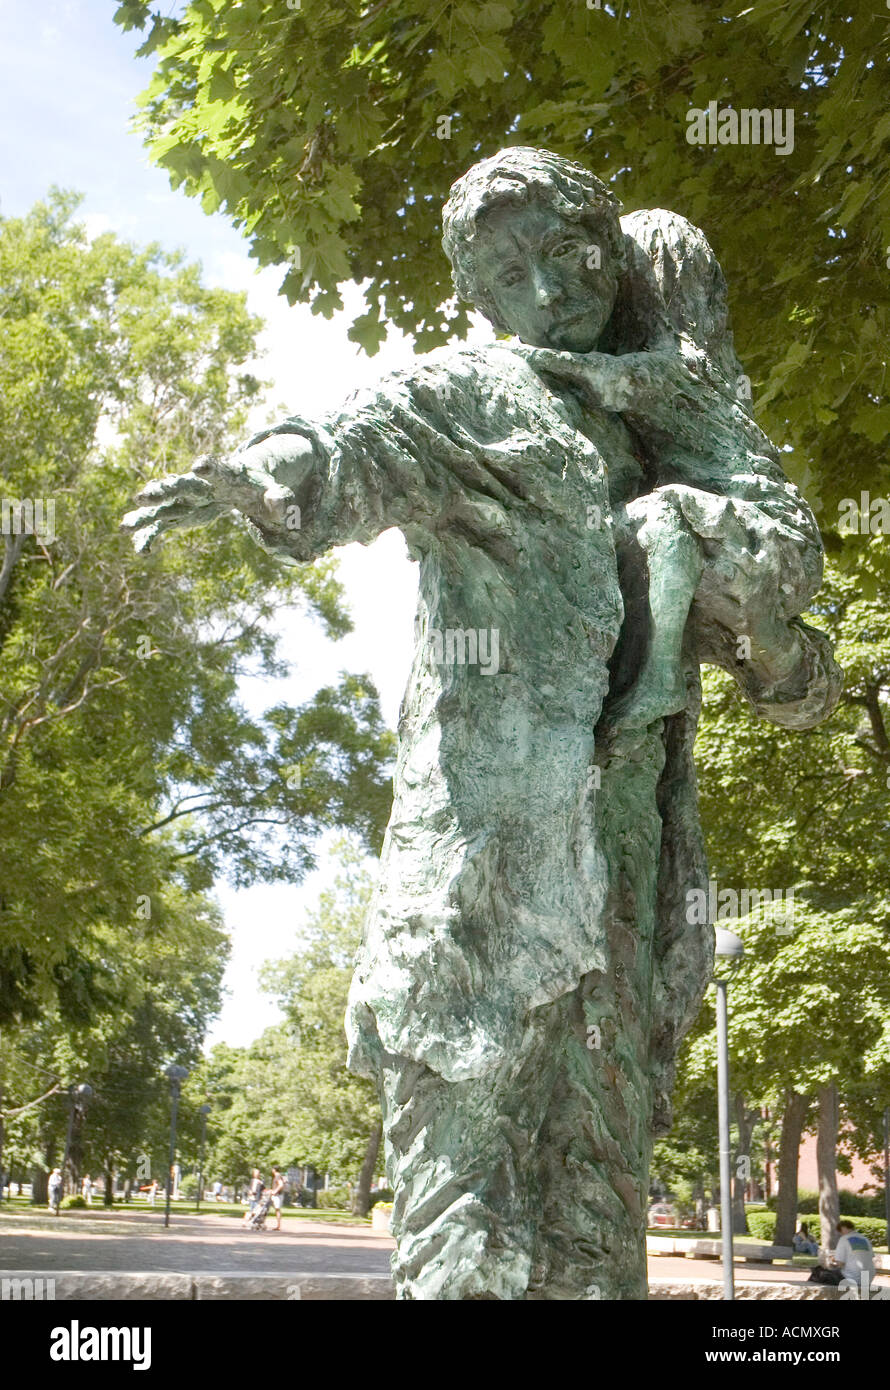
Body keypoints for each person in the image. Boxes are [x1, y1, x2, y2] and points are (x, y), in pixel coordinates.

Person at [122, 148, 840, 1301]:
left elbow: (781, 613)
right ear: (480, 300)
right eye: (511, 276)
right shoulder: (475, 396)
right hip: (478, 878)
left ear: (607, 247)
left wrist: (746, 603)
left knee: (594, 1212)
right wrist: (268, 469)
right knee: (461, 1218)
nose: (550, 293)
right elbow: (359, 433)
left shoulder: (670, 416)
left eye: (566, 255)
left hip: (618, 874)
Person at [832, 1220, 875, 1295]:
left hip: (852, 1276)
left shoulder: (844, 1239)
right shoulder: (865, 1239)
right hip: (868, 1276)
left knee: (824, 1275)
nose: (840, 1234)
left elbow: (840, 1263)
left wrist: (833, 1262)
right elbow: (869, 1257)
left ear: (843, 1228)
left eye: (840, 1231)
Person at [269, 1166, 287, 1231]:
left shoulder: (277, 1176)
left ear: (274, 1170)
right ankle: (278, 1225)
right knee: (276, 1209)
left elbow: (281, 1185)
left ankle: (278, 1226)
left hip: (278, 1195)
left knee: (277, 1209)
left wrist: (275, 1191)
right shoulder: (278, 1176)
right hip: (277, 1195)